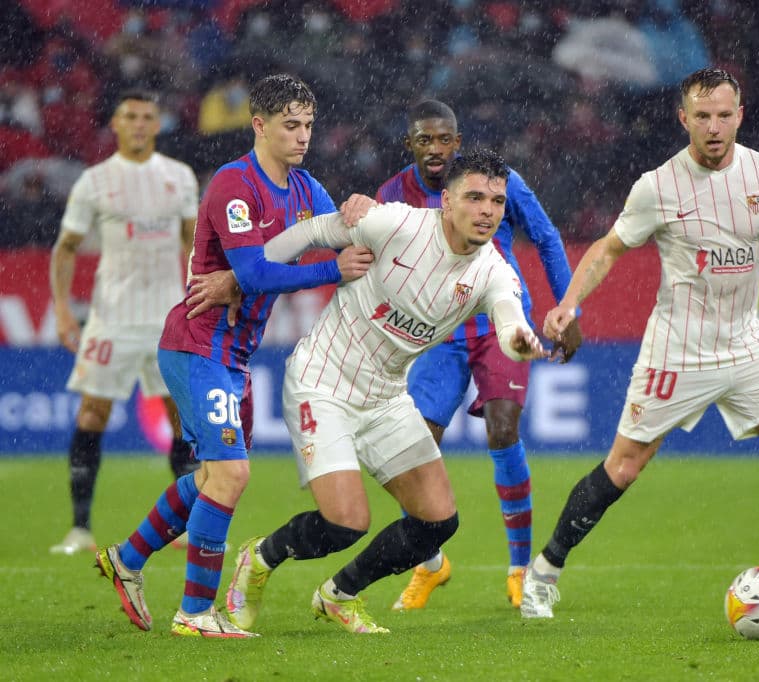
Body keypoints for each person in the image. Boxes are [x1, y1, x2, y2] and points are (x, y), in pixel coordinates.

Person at [521, 67, 759, 621]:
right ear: (684, 119)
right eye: (702, 116)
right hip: (678, 348)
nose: (714, 127)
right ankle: (543, 573)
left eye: (724, 115)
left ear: (740, 115)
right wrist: (569, 303)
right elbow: (606, 250)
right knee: (623, 466)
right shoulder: (657, 187)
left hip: (746, 341)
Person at [93, 73, 373, 639]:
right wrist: (330, 270)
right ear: (260, 125)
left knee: (209, 477)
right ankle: (194, 614)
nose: (302, 137)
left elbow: (345, 229)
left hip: (233, 356)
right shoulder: (233, 185)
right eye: (291, 125)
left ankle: (128, 558)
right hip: (200, 344)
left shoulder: (303, 189)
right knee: (232, 474)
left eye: (309, 126)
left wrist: (365, 207)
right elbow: (252, 274)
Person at [223, 149, 547, 636]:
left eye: (497, 201)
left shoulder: (493, 270)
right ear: (446, 201)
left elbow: (509, 319)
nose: (486, 210)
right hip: (322, 382)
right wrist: (242, 278)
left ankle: (340, 594)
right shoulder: (395, 225)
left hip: (386, 397)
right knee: (345, 523)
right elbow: (313, 233)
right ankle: (259, 557)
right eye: (474, 197)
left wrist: (519, 342)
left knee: (438, 522)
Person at [374, 99, 582, 610]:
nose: (437, 148)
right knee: (411, 452)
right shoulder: (392, 195)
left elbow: (548, 238)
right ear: (411, 145)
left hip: (499, 323)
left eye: (446, 139)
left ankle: (519, 570)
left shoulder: (498, 181)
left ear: (458, 141)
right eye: (426, 140)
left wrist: (567, 309)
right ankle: (431, 564)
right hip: (436, 333)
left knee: (503, 428)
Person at [48, 90, 200, 556]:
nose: (138, 124)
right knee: (92, 412)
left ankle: (188, 528)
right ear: (115, 124)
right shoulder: (95, 181)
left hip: (166, 318)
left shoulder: (179, 177)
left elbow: (194, 247)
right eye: (130, 116)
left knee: (181, 420)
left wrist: (202, 303)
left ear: (158, 124)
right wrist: (60, 309)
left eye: (147, 117)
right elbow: (66, 247)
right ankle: (79, 529)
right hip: (111, 318)